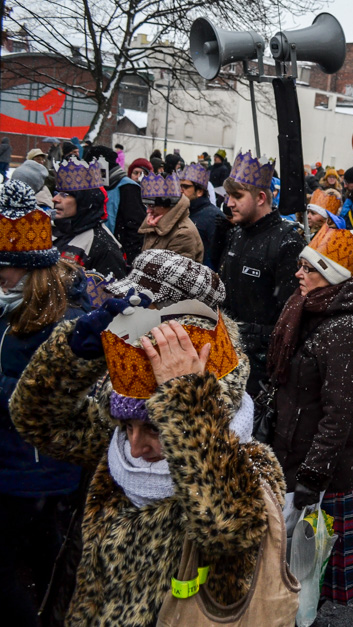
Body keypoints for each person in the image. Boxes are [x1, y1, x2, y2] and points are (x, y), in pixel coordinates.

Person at [9, 251, 289, 626]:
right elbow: (35, 419)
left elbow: (226, 530)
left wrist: (186, 404)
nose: (136, 448)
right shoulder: (120, 449)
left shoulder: (248, 465)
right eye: (128, 427)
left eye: (156, 430)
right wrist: (72, 353)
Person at [268, 227, 353, 607]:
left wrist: (311, 477)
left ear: (332, 276)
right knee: (282, 571)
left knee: (305, 574)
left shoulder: (347, 329)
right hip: (288, 453)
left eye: (309, 269)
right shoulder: (306, 307)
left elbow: (341, 415)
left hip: (316, 472)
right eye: (300, 266)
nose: (299, 275)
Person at [0, 182, 88, 625]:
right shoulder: (11, 307)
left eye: (4, 271)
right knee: (43, 564)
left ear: (28, 270)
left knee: (27, 568)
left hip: (36, 467)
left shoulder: (60, 322)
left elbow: (46, 398)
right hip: (17, 464)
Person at [219, 151, 306, 398]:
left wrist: (252, 334)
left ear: (260, 198)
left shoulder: (286, 242)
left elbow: (291, 317)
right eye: (228, 196)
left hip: (259, 367)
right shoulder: (236, 233)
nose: (229, 203)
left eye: (237, 196)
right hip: (228, 354)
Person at [52, 158, 128, 278]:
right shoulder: (56, 232)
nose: (55, 199)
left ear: (84, 201)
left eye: (65, 194)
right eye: (57, 193)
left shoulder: (105, 247)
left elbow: (110, 294)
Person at [83, 145, 145, 266]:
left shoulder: (128, 187)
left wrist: (129, 261)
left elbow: (136, 228)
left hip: (119, 257)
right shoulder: (98, 186)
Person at [137, 172, 204, 263]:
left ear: (169, 205)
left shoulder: (183, 234)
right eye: (147, 205)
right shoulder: (155, 224)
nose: (148, 211)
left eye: (152, 206)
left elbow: (173, 274)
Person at [178, 163, 223, 269]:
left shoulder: (214, 217)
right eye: (179, 185)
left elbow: (216, 257)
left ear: (199, 192)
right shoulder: (181, 211)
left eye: (185, 186)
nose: (180, 190)